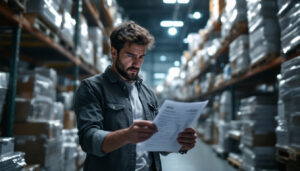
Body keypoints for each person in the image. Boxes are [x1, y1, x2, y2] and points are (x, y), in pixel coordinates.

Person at [75, 21, 197, 171]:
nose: (136, 63)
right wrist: (126, 135)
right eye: (130, 55)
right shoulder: (92, 88)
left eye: (141, 57)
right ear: (114, 52)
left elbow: (157, 144)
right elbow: (88, 139)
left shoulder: (147, 93)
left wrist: (179, 144)